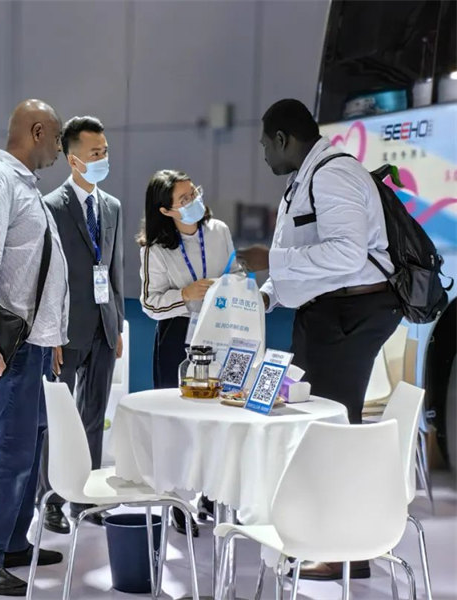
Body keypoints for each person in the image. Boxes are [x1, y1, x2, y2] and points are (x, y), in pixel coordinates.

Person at [238, 98, 401, 582]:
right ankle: (337, 541)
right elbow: (305, 255)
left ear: (283, 139)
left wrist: (270, 261)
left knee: (333, 429)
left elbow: (348, 255)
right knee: (320, 426)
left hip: (350, 314)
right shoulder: (305, 179)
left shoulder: (333, 174)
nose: (264, 154)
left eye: (266, 145)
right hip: (329, 312)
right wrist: (269, 294)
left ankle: (345, 550)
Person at [0, 99, 70, 597]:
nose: (60, 149)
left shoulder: (26, 189)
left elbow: (40, 272)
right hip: (11, 348)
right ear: (37, 131)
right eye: (58, 138)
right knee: (6, 452)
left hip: (36, 346)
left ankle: (10, 546)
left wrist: (54, 336)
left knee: (31, 448)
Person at [37, 116, 125, 534]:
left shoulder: (112, 207)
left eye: (105, 151)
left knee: (93, 415)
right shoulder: (51, 207)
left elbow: (115, 270)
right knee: (59, 418)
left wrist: (118, 325)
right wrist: (50, 331)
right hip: (65, 329)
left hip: (103, 327)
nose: (103, 158)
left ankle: (84, 496)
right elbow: (45, 275)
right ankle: (51, 498)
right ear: (73, 160)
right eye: (95, 153)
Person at [138, 169, 237, 536]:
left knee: (220, 420)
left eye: (193, 193)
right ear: (166, 211)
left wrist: (231, 286)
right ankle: (178, 502)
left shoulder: (219, 231)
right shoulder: (155, 249)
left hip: (221, 333)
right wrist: (185, 295)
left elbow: (234, 272)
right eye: (183, 200)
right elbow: (150, 303)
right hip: (177, 335)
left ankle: (214, 496)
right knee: (177, 425)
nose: (193, 202)